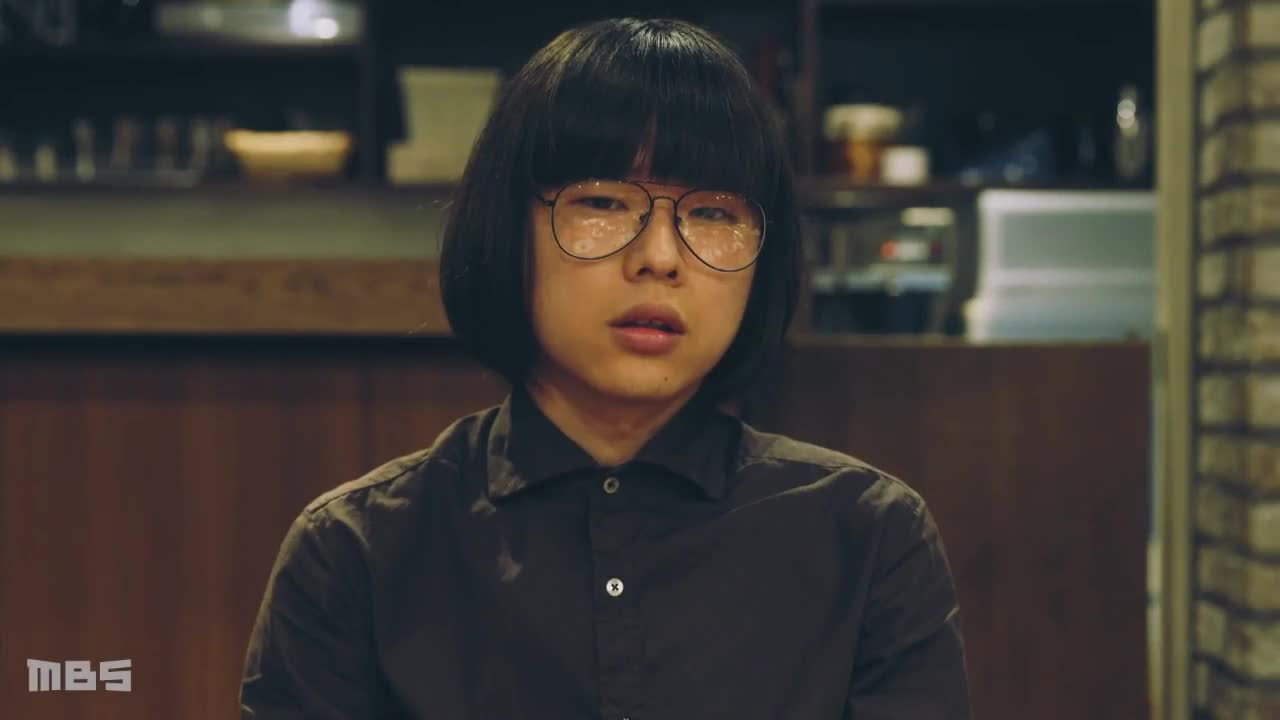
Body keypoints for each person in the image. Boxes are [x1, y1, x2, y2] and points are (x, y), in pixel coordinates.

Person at [239, 16, 970, 720]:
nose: (660, 257)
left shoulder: (867, 538)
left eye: (715, 213)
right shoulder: (358, 551)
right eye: (602, 202)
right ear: (505, 227)